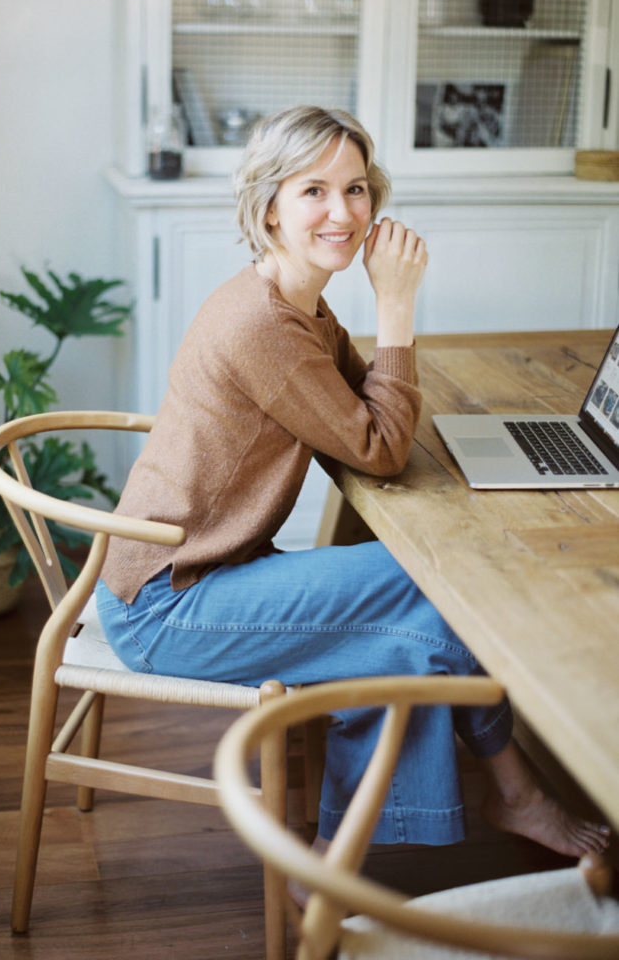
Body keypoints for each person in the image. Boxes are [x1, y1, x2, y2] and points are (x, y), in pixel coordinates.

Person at [95, 106, 609, 875]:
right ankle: (501, 798)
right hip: (171, 601)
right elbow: (378, 447)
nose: (344, 212)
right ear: (269, 205)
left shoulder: (292, 299)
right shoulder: (264, 325)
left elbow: (361, 412)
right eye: (314, 191)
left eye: (358, 189)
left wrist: (382, 363)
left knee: (402, 634)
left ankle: (363, 851)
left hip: (191, 572)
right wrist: (398, 306)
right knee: (435, 595)